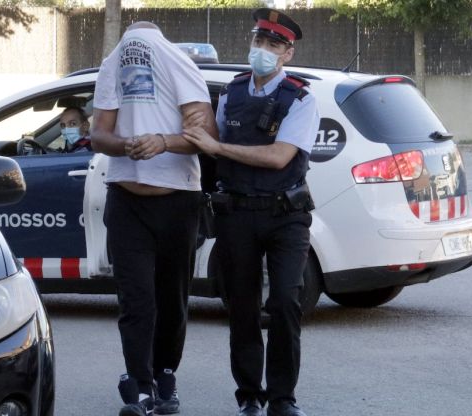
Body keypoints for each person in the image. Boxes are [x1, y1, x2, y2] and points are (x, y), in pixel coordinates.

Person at [182, 8, 319, 416]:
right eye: (259, 41)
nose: (263, 50)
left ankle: (282, 398)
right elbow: (207, 142)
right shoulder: (232, 93)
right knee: (240, 306)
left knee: (284, 302)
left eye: (273, 45)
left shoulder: (300, 97)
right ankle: (248, 396)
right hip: (237, 213)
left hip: (285, 215)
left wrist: (218, 148)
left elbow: (280, 157)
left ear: (287, 54)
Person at [90, 21, 218, 416]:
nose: (135, 51)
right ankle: (141, 384)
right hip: (127, 199)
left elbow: (206, 133)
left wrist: (162, 141)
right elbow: (99, 135)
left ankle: (165, 376)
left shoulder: (179, 64)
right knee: (137, 297)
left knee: (172, 296)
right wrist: (126, 145)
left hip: (178, 200)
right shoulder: (113, 66)